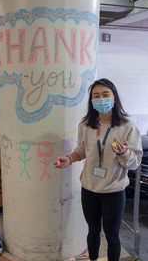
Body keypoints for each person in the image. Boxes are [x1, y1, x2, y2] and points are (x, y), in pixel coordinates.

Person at [54, 78, 143, 261]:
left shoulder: (127, 127)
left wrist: (125, 153)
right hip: (89, 189)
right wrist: (69, 158)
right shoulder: (86, 125)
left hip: (113, 191)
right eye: (96, 96)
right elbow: (81, 149)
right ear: (92, 101)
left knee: (111, 236)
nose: (101, 99)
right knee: (93, 231)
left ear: (114, 98)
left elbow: (135, 163)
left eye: (105, 94)